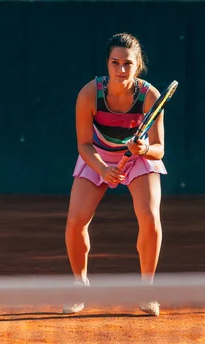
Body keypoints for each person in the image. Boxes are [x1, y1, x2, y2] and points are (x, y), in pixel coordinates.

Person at [62, 33, 167, 316]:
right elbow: (83, 144)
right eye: (115, 62)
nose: (121, 69)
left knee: (150, 218)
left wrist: (143, 148)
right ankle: (79, 283)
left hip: (138, 160)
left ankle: (147, 290)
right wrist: (103, 169)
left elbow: (159, 149)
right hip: (98, 157)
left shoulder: (150, 96)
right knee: (75, 221)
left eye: (128, 64)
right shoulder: (89, 94)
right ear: (107, 63)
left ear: (138, 65)